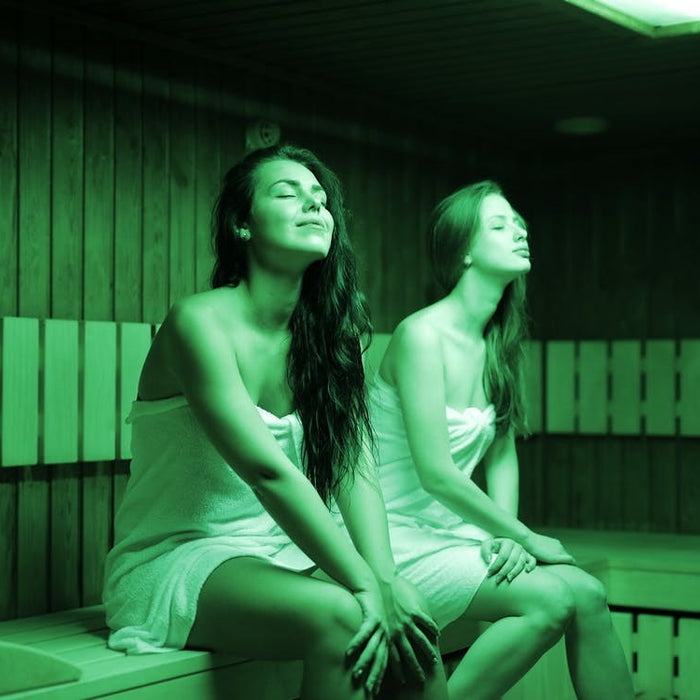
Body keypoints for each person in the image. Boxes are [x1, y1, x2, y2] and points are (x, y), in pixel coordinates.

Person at [103, 145, 447, 699]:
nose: (314, 206)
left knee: (416, 624)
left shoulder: (334, 338)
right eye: (288, 194)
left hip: (278, 551)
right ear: (242, 224)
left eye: (321, 199)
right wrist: (365, 584)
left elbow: (353, 469)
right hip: (180, 557)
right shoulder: (199, 322)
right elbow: (267, 472)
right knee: (346, 615)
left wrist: (385, 576)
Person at [368, 181, 635, 699]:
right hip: (392, 535)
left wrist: (509, 537)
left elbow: (503, 453)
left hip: (451, 528)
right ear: (463, 250)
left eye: (520, 225)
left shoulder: (499, 342)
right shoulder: (421, 336)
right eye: (500, 225)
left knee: (588, 593)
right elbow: (436, 473)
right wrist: (525, 536)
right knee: (553, 599)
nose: (519, 231)